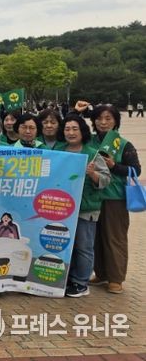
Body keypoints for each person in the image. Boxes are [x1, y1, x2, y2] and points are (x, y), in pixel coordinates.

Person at [85, 104, 141, 294]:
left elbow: (136, 170)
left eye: (108, 118)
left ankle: (116, 278)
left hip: (114, 198)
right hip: (92, 197)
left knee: (114, 238)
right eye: (99, 118)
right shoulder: (89, 141)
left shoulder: (123, 144)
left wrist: (114, 166)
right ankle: (101, 273)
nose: (103, 122)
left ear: (116, 121)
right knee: (96, 238)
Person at [58, 115, 111, 297]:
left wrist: (93, 174)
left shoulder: (93, 153)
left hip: (85, 209)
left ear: (82, 131)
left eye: (75, 129)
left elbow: (106, 180)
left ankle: (81, 282)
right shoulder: (58, 151)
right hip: (61, 209)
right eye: (67, 129)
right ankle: (66, 279)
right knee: (64, 246)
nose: (71, 132)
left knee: (83, 247)